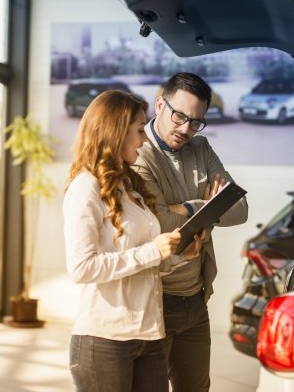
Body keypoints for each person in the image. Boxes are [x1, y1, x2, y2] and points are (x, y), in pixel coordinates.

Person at [63, 90, 203, 392]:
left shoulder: (130, 188)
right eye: (139, 130)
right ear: (115, 131)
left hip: (149, 334)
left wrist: (178, 256)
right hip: (105, 340)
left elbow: (146, 262)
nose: (143, 139)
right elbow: (82, 268)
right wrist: (153, 251)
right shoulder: (85, 187)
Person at [132, 72, 249, 392]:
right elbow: (159, 225)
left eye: (196, 121)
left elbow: (239, 210)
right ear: (160, 105)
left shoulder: (201, 147)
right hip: (155, 299)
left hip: (195, 298)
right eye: (180, 116)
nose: (186, 129)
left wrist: (181, 207)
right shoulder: (139, 156)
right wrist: (207, 205)